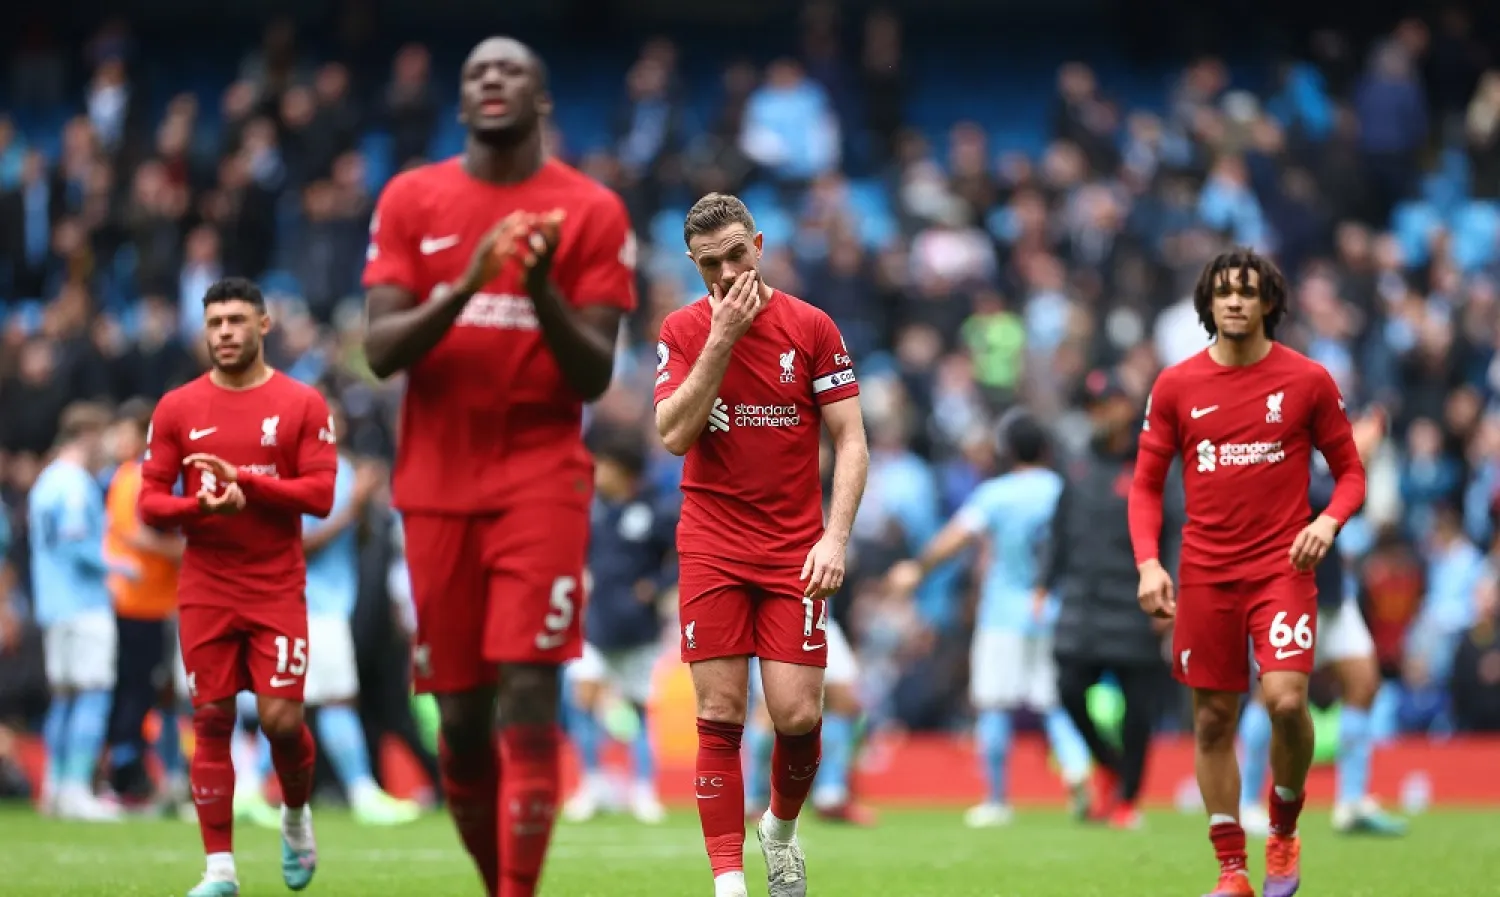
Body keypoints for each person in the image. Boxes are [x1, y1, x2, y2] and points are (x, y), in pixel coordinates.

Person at [361, 35, 637, 897]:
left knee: (529, 688)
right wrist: (469, 284)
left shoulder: (592, 209)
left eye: (510, 70)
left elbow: (593, 373)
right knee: (461, 717)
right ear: (460, 100)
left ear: (540, 98)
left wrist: (540, 288)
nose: (491, 79)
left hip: (541, 481)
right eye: (476, 70)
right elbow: (379, 349)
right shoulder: (412, 197)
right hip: (435, 486)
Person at [1129, 248, 1366, 897]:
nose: (1235, 301)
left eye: (1248, 291)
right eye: (1224, 291)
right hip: (1205, 574)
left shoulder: (1308, 380)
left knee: (1285, 700)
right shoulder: (1176, 385)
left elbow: (1351, 472)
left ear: (1269, 302)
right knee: (1212, 720)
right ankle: (1231, 869)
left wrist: (1327, 523)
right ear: (1208, 303)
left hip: (1281, 569)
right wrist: (1148, 563)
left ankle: (1283, 829)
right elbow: (1145, 485)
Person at [654, 192, 868, 897]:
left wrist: (835, 538)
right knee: (719, 713)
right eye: (708, 263)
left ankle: (779, 830)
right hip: (711, 544)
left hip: (793, 549)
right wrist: (720, 339)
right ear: (693, 264)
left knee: (799, 714)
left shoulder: (811, 326)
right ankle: (728, 882)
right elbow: (672, 435)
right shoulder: (684, 329)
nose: (725, 273)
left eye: (736, 255)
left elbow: (851, 440)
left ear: (760, 245)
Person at [138, 276, 337, 897]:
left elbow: (321, 496)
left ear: (263, 325)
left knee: (281, 722)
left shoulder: (303, 403)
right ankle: (219, 869)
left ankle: (296, 816)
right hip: (206, 586)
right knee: (211, 717)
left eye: (236, 321)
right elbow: (149, 504)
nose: (225, 333)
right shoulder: (176, 408)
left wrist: (246, 484)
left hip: (276, 586)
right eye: (215, 323)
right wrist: (200, 508)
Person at [886, 411, 1092, 827]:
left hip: (1002, 614)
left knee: (994, 704)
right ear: (1046, 450)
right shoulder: (1063, 491)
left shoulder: (996, 495)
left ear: (1007, 451)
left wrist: (918, 568)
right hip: (1052, 609)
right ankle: (1074, 766)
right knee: (1054, 703)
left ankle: (997, 799)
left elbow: (957, 538)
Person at [239, 399, 421, 827]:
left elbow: (357, 541)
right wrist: (354, 505)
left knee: (299, 702)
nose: (334, 426)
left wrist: (366, 505)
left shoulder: (338, 469)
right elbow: (297, 545)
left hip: (328, 604)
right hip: (308, 607)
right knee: (331, 700)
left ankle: (249, 788)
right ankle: (360, 791)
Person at [1240, 407, 1406, 837]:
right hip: (1289, 595)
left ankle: (1350, 803)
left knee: (1363, 683)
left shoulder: (1322, 458)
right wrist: (1356, 460)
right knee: (1272, 696)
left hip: (1331, 596)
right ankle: (1246, 802)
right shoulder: (1280, 454)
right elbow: (1319, 501)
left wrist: (1354, 461)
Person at [1047, 370, 1179, 830]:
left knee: (1139, 706)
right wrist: (1044, 583)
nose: (1098, 415)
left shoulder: (1155, 463)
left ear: (1126, 407)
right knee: (1067, 688)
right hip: (1083, 601)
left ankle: (1128, 798)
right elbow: (1060, 529)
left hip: (1137, 600)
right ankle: (1110, 764)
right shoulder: (1077, 464)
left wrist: (1171, 590)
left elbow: (1177, 531)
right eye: (1091, 407)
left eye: (1105, 404)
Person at [561, 428, 673, 825]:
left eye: (603, 467)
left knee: (640, 710)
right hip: (595, 625)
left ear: (625, 472)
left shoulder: (656, 511)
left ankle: (643, 789)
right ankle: (591, 785)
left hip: (638, 630)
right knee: (583, 701)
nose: (596, 474)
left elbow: (679, 557)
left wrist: (655, 587)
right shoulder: (593, 511)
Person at [29, 401, 122, 821]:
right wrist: (119, 567)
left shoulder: (45, 481)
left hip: (52, 605)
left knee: (64, 697)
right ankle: (76, 789)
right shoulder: (73, 484)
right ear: (87, 436)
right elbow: (75, 543)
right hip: (83, 605)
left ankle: (54, 786)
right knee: (93, 693)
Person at [102, 398, 187, 812]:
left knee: (148, 693)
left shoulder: (134, 476)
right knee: (139, 693)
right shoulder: (135, 477)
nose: (119, 440)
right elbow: (134, 535)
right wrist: (187, 553)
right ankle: (127, 776)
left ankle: (150, 774)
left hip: (151, 602)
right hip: (140, 603)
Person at [743, 615, 872, 826]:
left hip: (820, 619)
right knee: (769, 708)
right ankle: (754, 797)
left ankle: (831, 795)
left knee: (844, 702)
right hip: (776, 622)